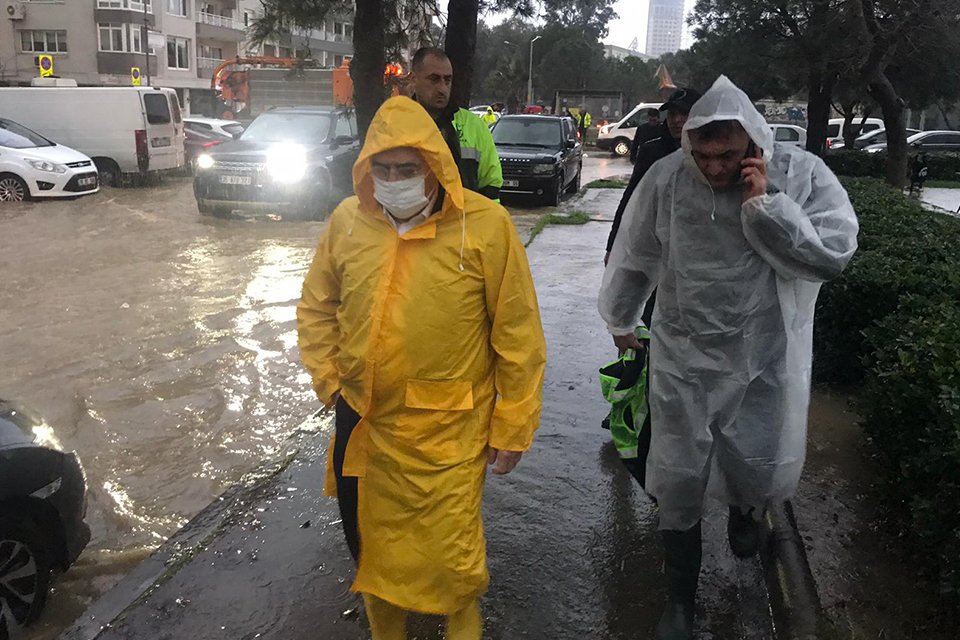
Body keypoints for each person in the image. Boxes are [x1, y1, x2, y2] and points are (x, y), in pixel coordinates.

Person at [598, 76, 859, 640]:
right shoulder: (668, 179)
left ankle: (747, 511)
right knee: (677, 475)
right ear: (688, 140)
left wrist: (767, 206)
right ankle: (679, 601)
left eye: (728, 155)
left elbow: (831, 255)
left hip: (766, 356)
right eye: (704, 154)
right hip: (683, 356)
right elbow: (635, 253)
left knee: (755, 458)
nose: (714, 168)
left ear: (755, 144)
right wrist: (621, 318)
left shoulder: (801, 174)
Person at [297, 96, 547, 640]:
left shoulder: (485, 227)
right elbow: (317, 307)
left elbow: (518, 334)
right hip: (364, 425)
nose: (394, 180)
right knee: (374, 561)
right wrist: (330, 382)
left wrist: (514, 423)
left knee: (453, 567)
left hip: (448, 437)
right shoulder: (347, 222)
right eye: (382, 170)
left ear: (435, 167)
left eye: (408, 170)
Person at [605, 88, 702, 266]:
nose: (676, 120)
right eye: (672, 114)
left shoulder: (711, 155)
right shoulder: (652, 152)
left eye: (684, 114)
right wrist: (612, 246)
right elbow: (630, 199)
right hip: (655, 251)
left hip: (696, 253)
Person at [410, 47, 503, 201]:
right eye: (434, 79)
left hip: (464, 223)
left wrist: (486, 223)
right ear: (414, 80)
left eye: (447, 80)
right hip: (415, 224)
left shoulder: (474, 127)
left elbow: (491, 187)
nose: (442, 88)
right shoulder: (396, 124)